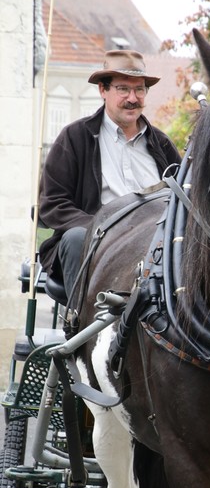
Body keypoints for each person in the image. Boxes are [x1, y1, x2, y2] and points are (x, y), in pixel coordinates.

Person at [39, 49, 181, 302]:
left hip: (155, 243)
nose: (132, 98)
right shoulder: (74, 138)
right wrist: (100, 228)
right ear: (103, 90)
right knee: (74, 239)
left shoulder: (162, 145)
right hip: (96, 242)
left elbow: (185, 197)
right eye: (123, 89)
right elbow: (53, 204)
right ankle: (82, 329)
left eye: (140, 89)